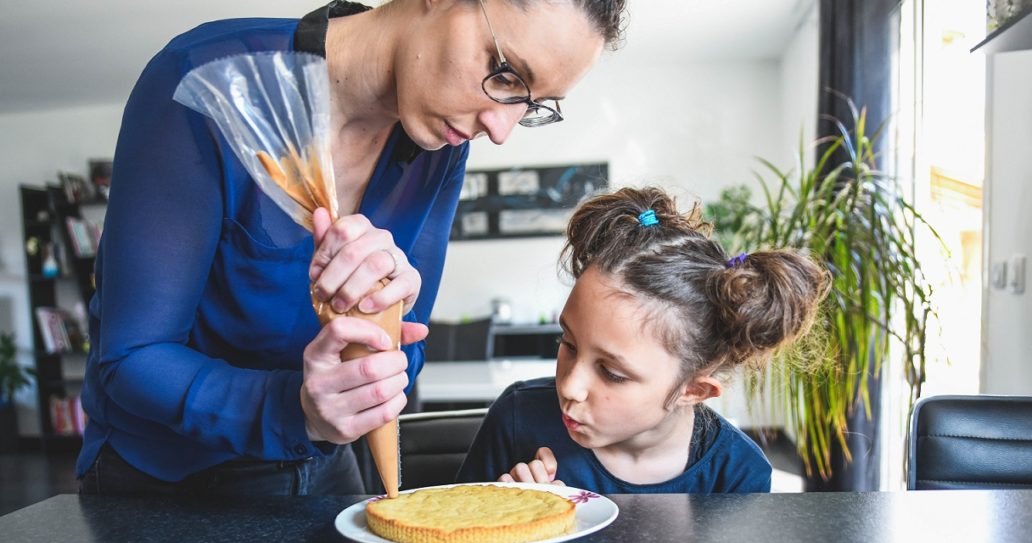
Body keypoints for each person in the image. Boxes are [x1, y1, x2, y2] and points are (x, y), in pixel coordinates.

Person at [77, 0, 627, 496]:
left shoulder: (442, 142)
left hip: (325, 463)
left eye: (531, 105)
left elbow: (409, 348)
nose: (500, 128)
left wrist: (392, 319)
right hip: (166, 477)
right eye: (504, 73)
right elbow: (130, 360)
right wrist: (298, 409)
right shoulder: (202, 84)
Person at [456, 186, 830, 493]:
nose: (570, 385)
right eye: (568, 344)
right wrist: (509, 519)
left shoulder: (737, 475)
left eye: (612, 373)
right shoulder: (518, 419)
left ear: (694, 390)